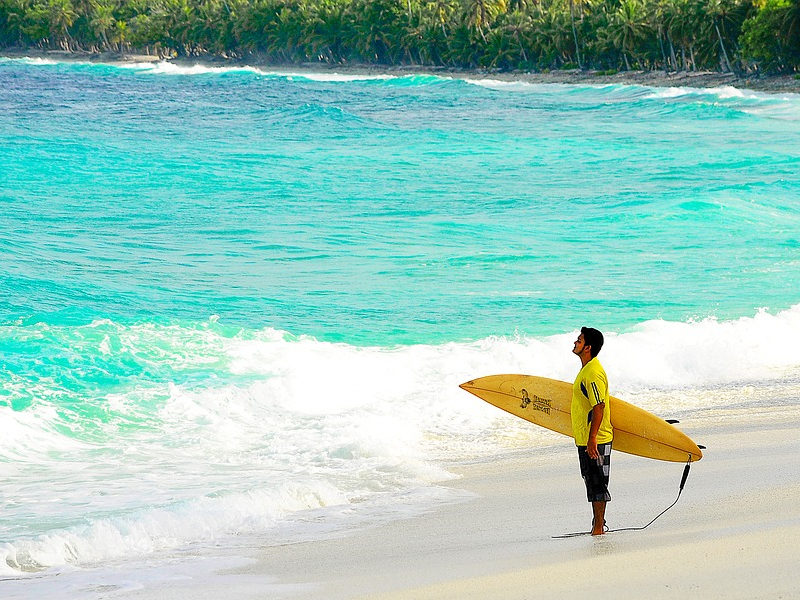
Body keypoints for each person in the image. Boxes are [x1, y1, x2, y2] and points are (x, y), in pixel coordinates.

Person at [571, 326, 613, 535]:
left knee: (597, 483)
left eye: (579, 340)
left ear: (587, 347)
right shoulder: (586, 370)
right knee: (591, 481)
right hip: (586, 437)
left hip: (596, 438)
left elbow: (599, 406)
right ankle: (597, 525)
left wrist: (593, 438)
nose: (575, 342)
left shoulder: (593, 373)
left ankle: (598, 528)